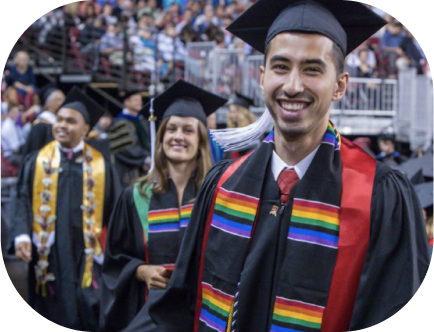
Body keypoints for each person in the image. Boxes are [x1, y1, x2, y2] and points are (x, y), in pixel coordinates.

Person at [137, 1, 429, 332]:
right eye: (280, 67)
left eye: (312, 69)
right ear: (262, 78)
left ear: (340, 85)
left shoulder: (379, 195)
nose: (292, 85)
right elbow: (184, 306)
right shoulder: (221, 186)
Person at [100, 80, 227, 332]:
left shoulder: (218, 195)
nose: (178, 136)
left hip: (204, 317)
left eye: (188, 130)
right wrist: (140, 271)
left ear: (201, 139)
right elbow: (114, 260)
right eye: (171, 129)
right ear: (161, 137)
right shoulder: (135, 197)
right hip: (150, 316)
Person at [8, 86, 121, 332]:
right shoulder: (37, 162)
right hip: (49, 253)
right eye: (59, 119)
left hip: (88, 256)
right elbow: (22, 199)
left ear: (85, 129)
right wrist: (22, 235)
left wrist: (107, 247)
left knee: (88, 310)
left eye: (71, 121)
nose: (62, 125)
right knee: (50, 307)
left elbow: (115, 212)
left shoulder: (102, 167)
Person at [110, 90, 151, 187]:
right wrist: (145, 158)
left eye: (140, 100)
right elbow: (125, 147)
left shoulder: (142, 121)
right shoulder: (120, 122)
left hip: (144, 168)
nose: (139, 102)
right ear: (126, 102)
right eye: (136, 100)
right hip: (127, 169)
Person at [21, 83, 66, 158]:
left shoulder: (57, 121)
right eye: (59, 100)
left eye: (64, 99)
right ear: (48, 103)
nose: (63, 103)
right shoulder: (41, 123)